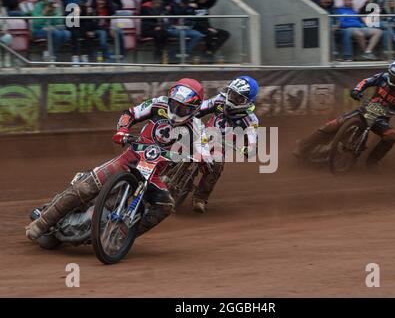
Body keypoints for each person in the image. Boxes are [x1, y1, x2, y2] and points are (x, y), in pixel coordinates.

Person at [26, 78, 207, 241]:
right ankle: (41, 223)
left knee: (166, 206)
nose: (176, 110)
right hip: (130, 158)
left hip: (153, 173)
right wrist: (122, 130)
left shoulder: (197, 127)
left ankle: (122, 237)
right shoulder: (158, 104)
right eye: (174, 104)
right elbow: (130, 114)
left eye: (182, 108)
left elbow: (205, 149)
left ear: (195, 108)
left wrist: (200, 158)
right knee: (88, 185)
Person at [293, 59, 395, 168]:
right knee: (333, 124)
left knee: (391, 136)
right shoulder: (383, 77)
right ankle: (303, 145)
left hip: (381, 120)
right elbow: (366, 81)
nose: (393, 79)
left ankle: (372, 162)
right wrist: (356, 90)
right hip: (365, 109)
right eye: (392, 75)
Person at [192, 76, 259, 213]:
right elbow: (200, 108)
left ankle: (200, 198)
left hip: (220, 145)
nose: (232, 98)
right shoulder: (220, 100)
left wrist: (249, 149)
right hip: (203, 133)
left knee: (217, 164)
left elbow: (252, 140)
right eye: (231, 93)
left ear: (247, 101)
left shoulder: (250, 120)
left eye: (237, 97)